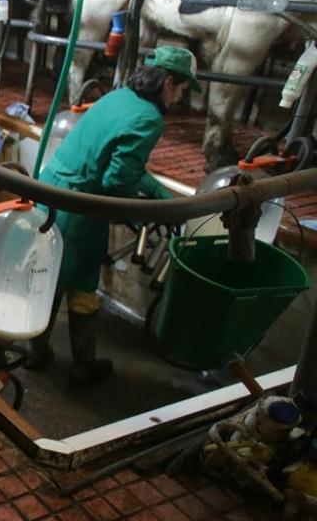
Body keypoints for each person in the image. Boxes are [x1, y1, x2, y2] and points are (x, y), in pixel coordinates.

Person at [27, 46, 200, 384]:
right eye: (182, 88)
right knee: (81, 286)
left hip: (51, 191)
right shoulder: (149, 118)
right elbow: (116, 182)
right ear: (167, 81)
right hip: (80, 208)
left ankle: (36, 353)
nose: (182, 97)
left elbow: (124, 167)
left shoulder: (118, 97)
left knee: (48, 275)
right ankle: (84, 364)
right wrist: (142, 219)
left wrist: (155, 193)